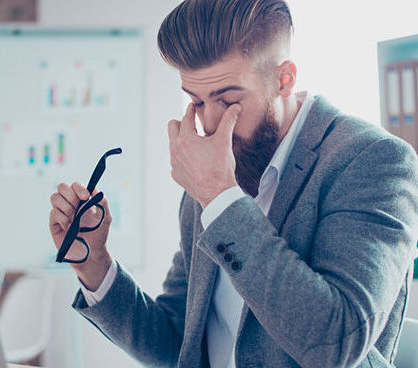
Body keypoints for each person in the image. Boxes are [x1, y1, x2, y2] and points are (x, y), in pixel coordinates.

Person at [48, 0, 418, 366]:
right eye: (196, 101)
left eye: (227, 101)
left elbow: (335, 345)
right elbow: (180, 344)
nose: (209, 125)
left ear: (283, 79)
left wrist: (220, 198)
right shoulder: (213, 175)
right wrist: (94, 264)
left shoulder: (373, 161)